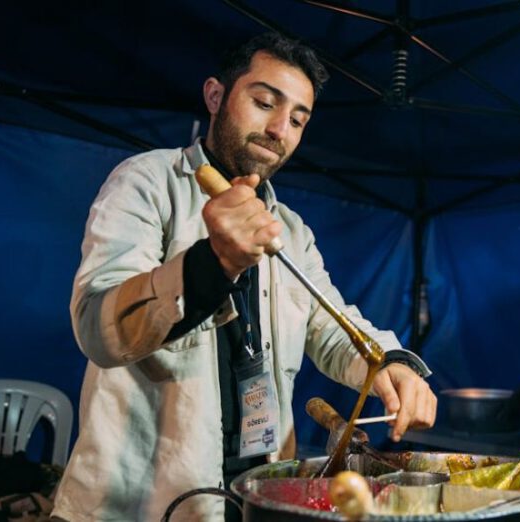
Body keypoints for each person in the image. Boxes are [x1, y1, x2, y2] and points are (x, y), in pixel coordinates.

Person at [52, 33, 437, 521]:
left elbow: (335, 331)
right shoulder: (148, 183)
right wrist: (213, 262)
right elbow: (96, 328)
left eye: (298, 119)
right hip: (139, 505)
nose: (280, 128)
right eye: (263, 103)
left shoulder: (291, 231)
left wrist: (389, 365)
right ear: (215, 96)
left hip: (259, 499)